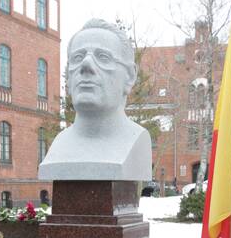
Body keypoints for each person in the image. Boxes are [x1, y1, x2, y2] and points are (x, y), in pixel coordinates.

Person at [37, 18, 152, 182]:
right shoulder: (59, 146)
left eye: (103, 57)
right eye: (77, 57)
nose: (86, 65)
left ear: (130, 76)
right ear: (68, 78)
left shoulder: (136, 142)